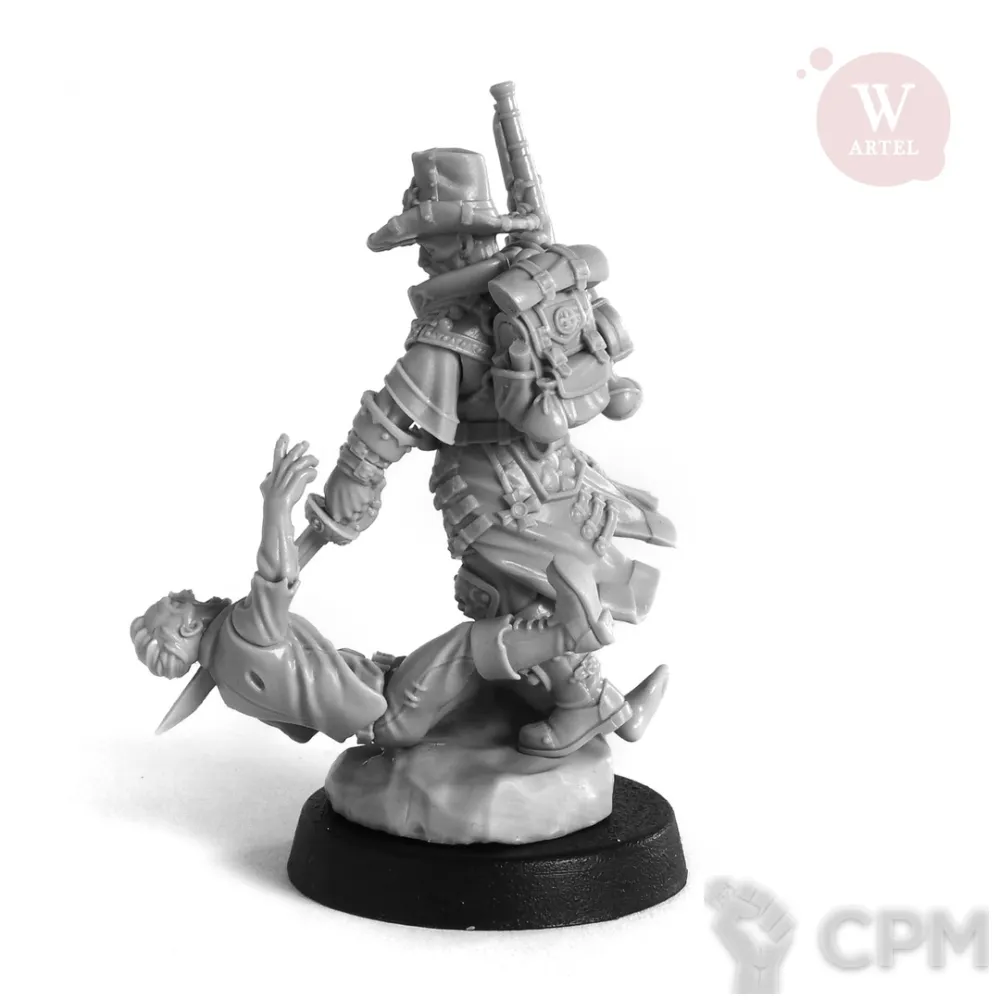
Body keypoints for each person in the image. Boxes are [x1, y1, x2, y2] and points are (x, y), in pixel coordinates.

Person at [318, 146, 674, 756]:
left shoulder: (454, 326)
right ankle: (588, 702)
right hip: (548, 471)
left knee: (514, 598)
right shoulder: (523, 288)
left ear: (455, 242)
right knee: (515, 598)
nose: (423, 256)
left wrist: (354, 479)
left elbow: (392, 417)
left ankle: (588, 706)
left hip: (496, 489)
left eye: (429, 242)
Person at [130, 437, 643, 749]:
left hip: (386, 699)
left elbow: (299, 721)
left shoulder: (229, 680)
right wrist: (276, 506)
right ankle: (570, 633)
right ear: (187, 628)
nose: (190, 593)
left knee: (492, 680)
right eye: (178, 602)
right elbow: (274, 578)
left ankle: (610, 709)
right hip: (391, 708)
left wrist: (327, 531)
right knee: (470, 645)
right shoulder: (239, 637)